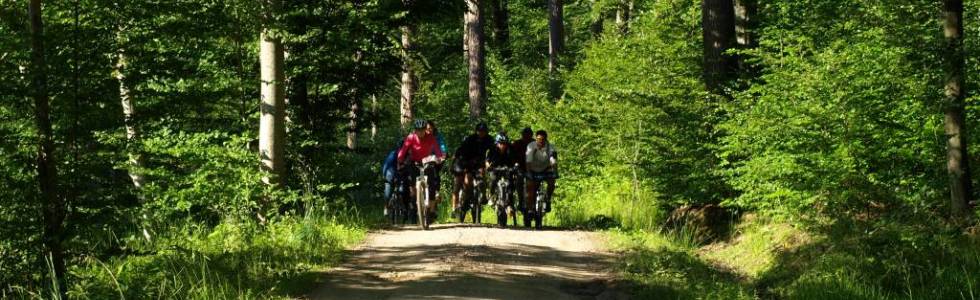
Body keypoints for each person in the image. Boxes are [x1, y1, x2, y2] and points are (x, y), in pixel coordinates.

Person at [397, 119, 446, 217]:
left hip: (427, 161)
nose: (420, 132)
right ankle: (414, 203)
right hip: (414, 162)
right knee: (412, 182)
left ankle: (431, 210)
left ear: (425, 130)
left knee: (431, 184)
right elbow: (403, 150)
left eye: (422, 130)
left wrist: (440, 157)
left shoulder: (431, 137)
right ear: (415, 130)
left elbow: (437, 149)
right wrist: (400, 160)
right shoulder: (411, 138)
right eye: (418, 130)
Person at [451, 123, 494, 217]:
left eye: (483, 131)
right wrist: (464, 164)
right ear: (476, 131)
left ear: (486, 132)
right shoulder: (470, 139)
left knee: (482, 176)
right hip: (468, 162)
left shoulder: (489, 139)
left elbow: (493, 151)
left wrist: (490, 161)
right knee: (467, 180)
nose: (481, 133)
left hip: (481, 162)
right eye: (480, 131)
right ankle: (466, 198)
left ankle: (483, 195)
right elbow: (462, 152)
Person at [525, 130, 558, 214]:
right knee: (530, 187)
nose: (540, 141)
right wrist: (529, 173)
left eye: (542, 139)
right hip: (533, 169)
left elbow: (553, 160)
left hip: (546, 169)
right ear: (536, 139)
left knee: (552, 183)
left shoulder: (551, 147)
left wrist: (555, 172)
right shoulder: (531, 146)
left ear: (546, 139)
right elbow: (528, 161)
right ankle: (531, 208)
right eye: (538, 139)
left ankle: (548, 199)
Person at [486, 132, 516, 204]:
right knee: (493, 179)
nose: (503, 145)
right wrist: (488, 166)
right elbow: (487, 160)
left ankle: (510, 201)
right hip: (495, 168)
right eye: (501, 143)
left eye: (504, 143)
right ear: (497, 143)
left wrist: (515, 166)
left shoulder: (510, 149)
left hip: (507, 167)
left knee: (512, 181)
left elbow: (514, 159)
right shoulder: (492, 149)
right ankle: (491, 195)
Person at [510, 127, 534, 213]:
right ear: (522, 135)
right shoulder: (517, 143)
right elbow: (511, 155)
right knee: (519, 181)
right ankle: (520, 201)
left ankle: (535, 203)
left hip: (532, 168)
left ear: (531, 135)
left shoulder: (535, 143)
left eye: (528, 135)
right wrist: (515, 163)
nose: (526, 137)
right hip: (520, 167)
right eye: (525, 135)